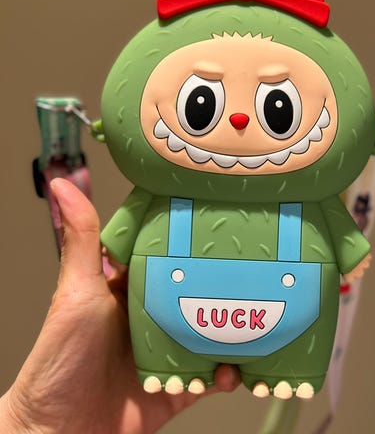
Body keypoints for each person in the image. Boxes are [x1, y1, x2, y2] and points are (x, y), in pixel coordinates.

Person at [0, 179, 240, 433]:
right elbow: (116, 244)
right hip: (159, 302)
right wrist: (30, 425)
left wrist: (32, 426)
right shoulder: (153, 191)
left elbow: (115, 247)